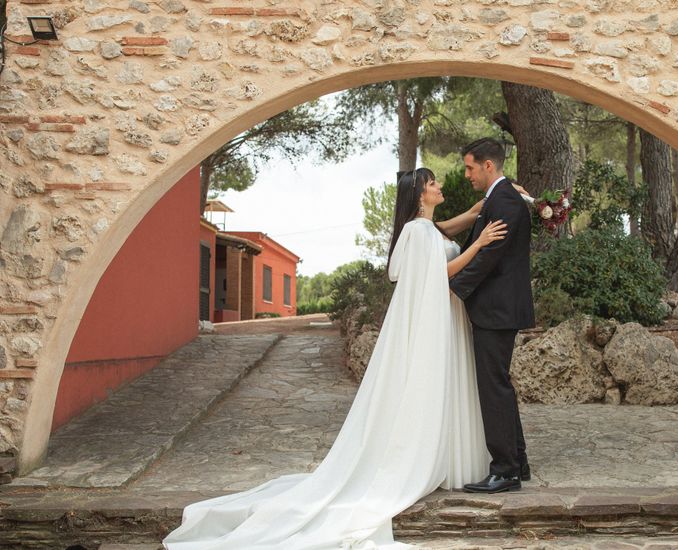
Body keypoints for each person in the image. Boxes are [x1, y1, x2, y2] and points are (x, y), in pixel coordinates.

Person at [163, 168, 507, 549]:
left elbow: (440, 231)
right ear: (419, 194)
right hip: (436, 317)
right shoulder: (420, 231)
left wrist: (479, 210)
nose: (439, 186)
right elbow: (441, 271)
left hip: (440, 317)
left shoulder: (422, 229)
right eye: (432, 183)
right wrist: (480, 243)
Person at [450, 138, 536, 494]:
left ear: (489, 166)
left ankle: (505, 471)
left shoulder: (505, 202)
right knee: (499, 384)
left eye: (471, 167)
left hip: (496, 310)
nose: (467, 174)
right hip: (498, 308)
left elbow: (488, 259)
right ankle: (518, 460)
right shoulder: (499, 199)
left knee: (493, 388)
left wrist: (449, 286)